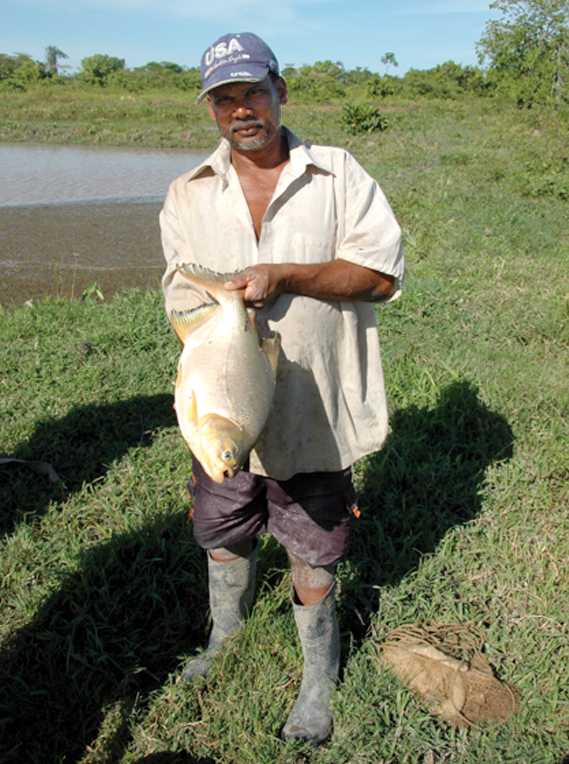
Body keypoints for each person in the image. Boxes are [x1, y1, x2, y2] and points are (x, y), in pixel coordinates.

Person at [160, 31, 404, 745]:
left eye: (253, 92)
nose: (242, 110)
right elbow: (179, 297)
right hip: (225, 412)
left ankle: (316, 681)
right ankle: (223, 641)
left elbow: (380, 278)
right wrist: (221, 317)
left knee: (313, 546)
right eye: (224, 99)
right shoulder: (186, 194)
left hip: (315, 408)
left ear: (280, 91)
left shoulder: (338, 173)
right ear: (211, 109)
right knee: (222, 530)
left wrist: (287, 274)